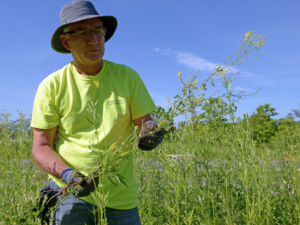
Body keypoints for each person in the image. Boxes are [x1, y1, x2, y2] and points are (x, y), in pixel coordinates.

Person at [30, 0, 166, 224]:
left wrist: (148, 134)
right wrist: (68, 175)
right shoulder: (52, 85)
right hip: (70, 197)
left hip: (121, 199)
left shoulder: (128, 77)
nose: (93, 40)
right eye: (83, 32)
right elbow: (41, 146)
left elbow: (144, 125)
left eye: (98, 31)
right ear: (66, 41)